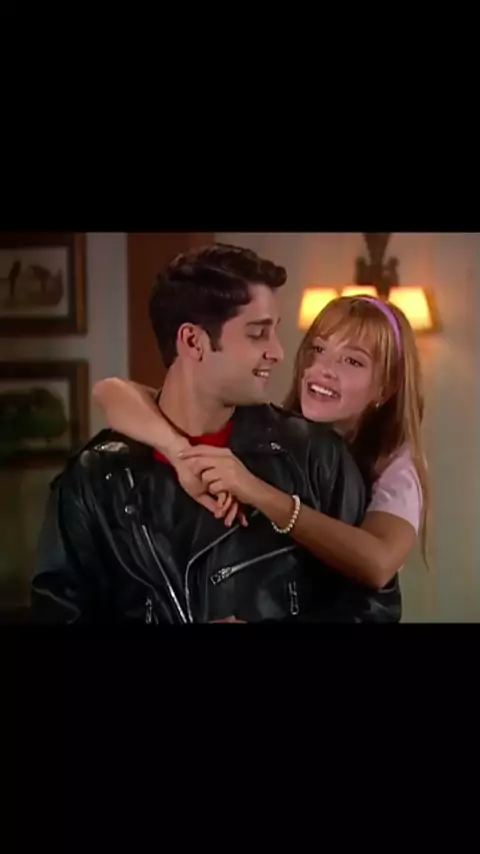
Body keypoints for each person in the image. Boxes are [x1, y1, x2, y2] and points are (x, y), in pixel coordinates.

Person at [32, 243, 376, 624]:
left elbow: (373, 609)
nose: (278, 352)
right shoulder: (96, 479)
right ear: (193, 342)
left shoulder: (315, 457)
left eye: (274, 331)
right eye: (258, 334)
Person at [93, 290, 429, 600]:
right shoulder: (274, 431)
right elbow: (111, 392)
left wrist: (256, 491)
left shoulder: (395, 466)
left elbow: (378, 565)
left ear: (385, 387)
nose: (323, 369)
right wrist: (179, 453)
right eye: (318, 350)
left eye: (352, 361)